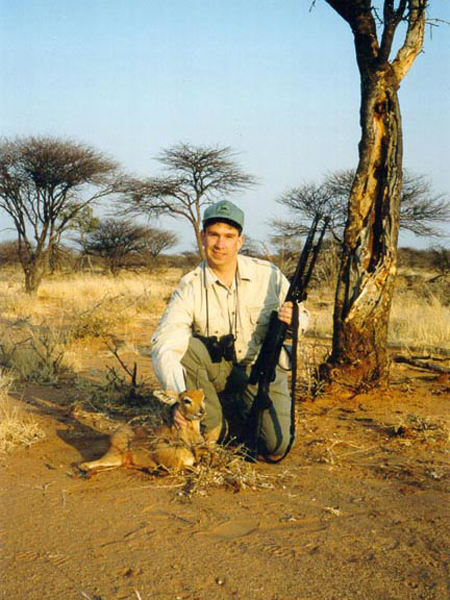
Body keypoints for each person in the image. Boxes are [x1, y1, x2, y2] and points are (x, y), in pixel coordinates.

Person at [151, 200, 309, 458]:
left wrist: (295, 319)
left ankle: (234, 412)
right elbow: (165, 344)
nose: (220, 244)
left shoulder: (268, 274)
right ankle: (216, 423)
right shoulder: (189, 285)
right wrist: (179, 398)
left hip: (262, 368)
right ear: (203, 237)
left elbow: (302, 317)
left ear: (240, 241)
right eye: (214, 235)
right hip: (218, 371)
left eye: (228, 236)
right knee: (187, 348)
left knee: (277, 445)